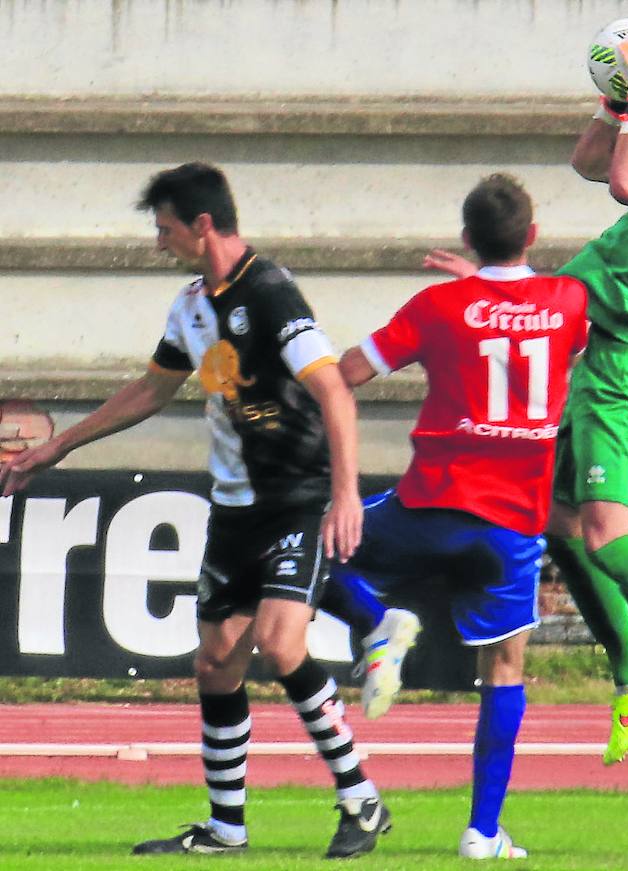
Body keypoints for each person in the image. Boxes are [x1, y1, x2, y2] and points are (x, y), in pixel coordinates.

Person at [0, 162, 390, 859]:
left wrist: (344, 493)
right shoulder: (191, 304)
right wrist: (56, 447)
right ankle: (225, 828)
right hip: (234, 508)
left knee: (280, 642)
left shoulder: (269, 292)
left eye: (166, 228)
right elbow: (152, 390)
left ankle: (361, 799)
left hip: (296, 498)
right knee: (214, 661)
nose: (160, 243)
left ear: (202, 224)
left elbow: (334, 389)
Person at [424, 35, 628, 765]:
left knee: (607, 533)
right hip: (587, 362)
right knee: (556, 520)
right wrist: (618, 102)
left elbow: (627, 187)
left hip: (625, 373)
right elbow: (590, 163)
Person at [330, 173, 588, 859]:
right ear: (532, 235)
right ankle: (482, 829)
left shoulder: (439, 305)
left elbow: (349, 371)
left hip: (428, 506)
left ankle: (377, 624)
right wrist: (487, 282)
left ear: (467, 237)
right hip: (512, 526)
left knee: (316, 549)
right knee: (504, 668)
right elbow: (551, 325)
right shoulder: (568, 301)